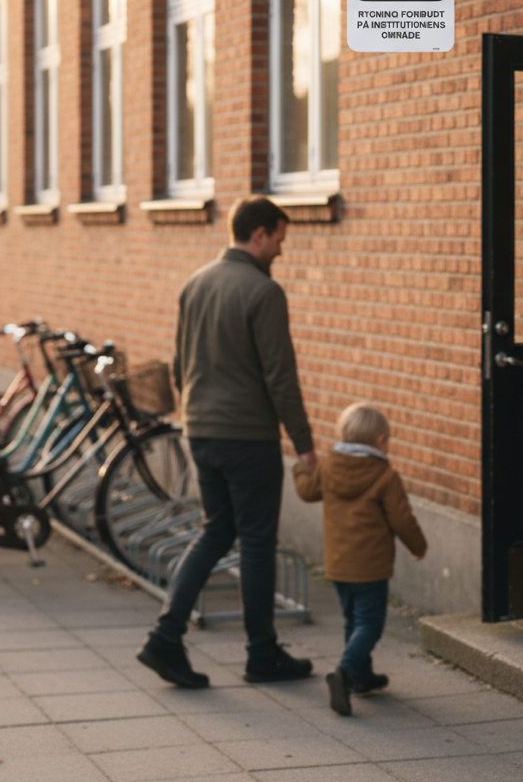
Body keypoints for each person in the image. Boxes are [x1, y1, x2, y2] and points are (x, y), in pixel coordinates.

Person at [137, 195, 317, 689]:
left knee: (215, 531)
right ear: (259, 234)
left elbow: (179, 364)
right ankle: (262, 654)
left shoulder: (196, 282)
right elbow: (281, 378)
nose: (281, 249)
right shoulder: (264, 291)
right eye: (279, 238)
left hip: (200, 429)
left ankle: (165, 636)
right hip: (247, 436)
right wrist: (304, 443)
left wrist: (194, 412)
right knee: (256, 542)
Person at [292, 402, 427, 716]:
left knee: (353, 621)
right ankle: (345, 671)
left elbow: (307, 491)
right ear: (380, 440)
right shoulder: (384, 475)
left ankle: (362, 678)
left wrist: (300, 468)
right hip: (371, 568)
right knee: (370, 623)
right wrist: (418, 545)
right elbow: (402, 518)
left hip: (338, 565)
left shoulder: (328, 466)